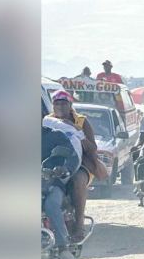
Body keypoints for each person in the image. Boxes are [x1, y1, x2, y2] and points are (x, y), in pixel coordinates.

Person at [44, 89, 105, 241]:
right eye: (57, 103)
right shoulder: (47, 121)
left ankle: (79, 225)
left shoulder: (81, 121)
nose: (60, 107)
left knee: (77, 181)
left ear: (70, 105)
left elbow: (92, 147)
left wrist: (77, 133)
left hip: (79, 163)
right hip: (52, 162)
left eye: (64, 103)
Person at [41, 126, 80, 259]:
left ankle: (63, 247)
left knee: (51, 204)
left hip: (51, 181)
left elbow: (72, 155)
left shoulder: (55, 135)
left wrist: (65, 168)